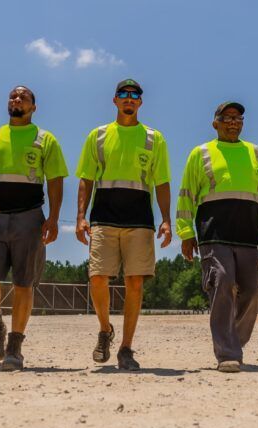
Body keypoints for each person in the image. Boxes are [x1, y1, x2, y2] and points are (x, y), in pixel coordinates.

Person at [0, 85, 67, 371]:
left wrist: (53, 218)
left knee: (23, 284)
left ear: (33, 107)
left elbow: (55, 181)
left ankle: (15, 347)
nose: (17, 99)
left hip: (29, 219)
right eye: (13, 96)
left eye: (24, 97)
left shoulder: (45, 140)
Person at [74, 79, 171, 370]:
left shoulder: (154, 138)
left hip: (139, 219)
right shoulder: (98, 136)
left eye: (134, 95)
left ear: (140, 102)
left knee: (135, 282)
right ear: (115, 100)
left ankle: (126, 348)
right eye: (123, 94)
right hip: (103, 216)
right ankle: (105, 330)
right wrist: (80, 216)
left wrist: (166, 219)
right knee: (97, 277)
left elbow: (162, 182)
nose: (129, 98)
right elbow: (86, 179)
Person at [176, 102, 258, 373]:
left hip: (248, 233)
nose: (233, 122)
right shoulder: (200, 153)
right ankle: (227, 352)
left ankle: (234, 339)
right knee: (222, 282)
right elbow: (186, 194)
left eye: (238, 117)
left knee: (253, 292)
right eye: (227, 117)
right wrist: (186, 233)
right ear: (215, 123)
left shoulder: (256, 153)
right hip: (214, 233)